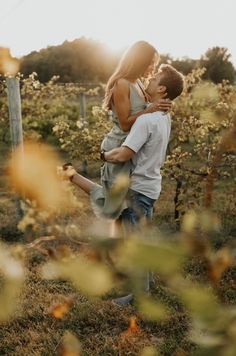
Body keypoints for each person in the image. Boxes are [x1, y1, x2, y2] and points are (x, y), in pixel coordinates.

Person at [61, 64, 184, 305]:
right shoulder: (163, 114)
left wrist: (103, 155)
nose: (149, 77)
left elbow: (123, 155)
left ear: (161, 89)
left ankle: (140, 296)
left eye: (155, 77)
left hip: (137, 188)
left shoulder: (145, 121)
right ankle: (146, 284)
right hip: (151, 186)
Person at [90, 41, 171, 219]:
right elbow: (126, 123)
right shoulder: (122, 84)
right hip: (119, 145)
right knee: (115, 207)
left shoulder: (140, 83)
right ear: (139, 61)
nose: (153, 67)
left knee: (124, 205)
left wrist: (163, 105)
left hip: (132, 146)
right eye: (150, 62)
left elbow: (153, 104)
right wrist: (150, 109)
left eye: (154, 63)